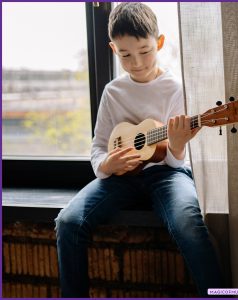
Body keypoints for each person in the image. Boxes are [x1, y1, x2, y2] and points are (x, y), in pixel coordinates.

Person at [55, 2, 223, 297]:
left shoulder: (175, 88)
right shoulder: (113, 92)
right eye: (125, 55)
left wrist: (178, 144)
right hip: (120, 177)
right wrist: (108, 166)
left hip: (167, 176)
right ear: (112, 49)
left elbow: (173, 162)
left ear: (159, 43)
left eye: (145, 51)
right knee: (68, 222)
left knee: (189, 226)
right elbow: (98, 147)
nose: (137, 63)